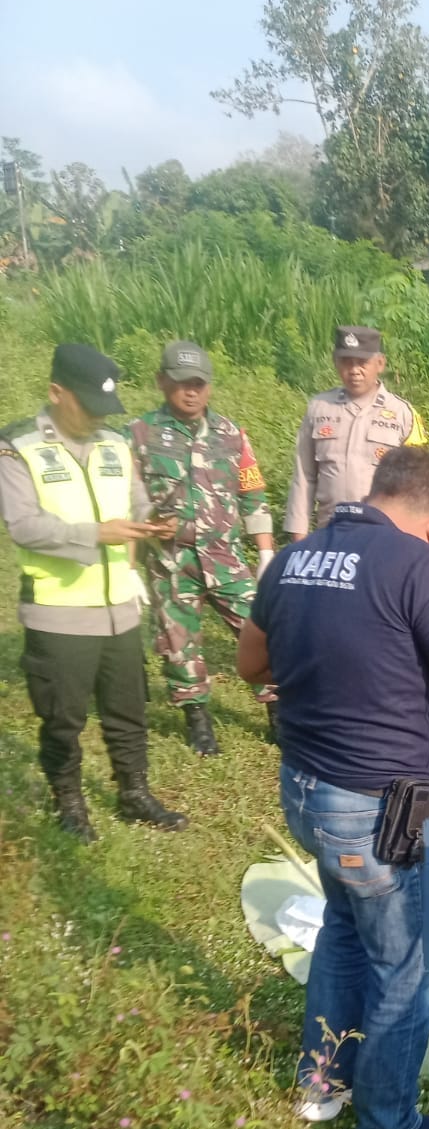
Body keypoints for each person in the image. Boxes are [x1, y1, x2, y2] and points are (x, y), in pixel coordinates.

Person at [237, 445, 429, 1129]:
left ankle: (320, 1085)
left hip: (306, 787)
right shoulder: (416, 566)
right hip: (380, 808)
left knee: (344, 932)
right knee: (408, 964)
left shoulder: (297, 556)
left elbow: (249, 663)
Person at [0, 343, 187, 842]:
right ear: (56, 393)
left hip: (120, 607)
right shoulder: (18, 448)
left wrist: (153, 524)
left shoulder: (114, 445)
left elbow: (136, 502)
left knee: (127, 710)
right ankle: (69, 803)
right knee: (63, 719)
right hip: (59, 614)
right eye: (89, 406)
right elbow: (24, 525)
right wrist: (96, 534)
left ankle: (134, 792)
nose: (98, 419)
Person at [127, 341, 278, 757]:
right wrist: (130, 559)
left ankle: (279, 714)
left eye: (198, 383)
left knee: (261, 631)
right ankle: (198, 721)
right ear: (162, 383)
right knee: (179, 643)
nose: (190, 392)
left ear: (209, 386)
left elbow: (252, 493)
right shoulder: (139, 435)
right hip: (171, 563)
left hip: (227, 558)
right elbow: (125, 495)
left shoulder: (231, 434)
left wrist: (265, 553)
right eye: (180, 384)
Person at [284, 326, 428, 540]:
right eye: (346, 362)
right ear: (335, 362)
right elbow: (304, 476)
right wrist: (299, 539)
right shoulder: (319, 408)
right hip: (330, 532)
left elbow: (415, 484)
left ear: (380, 363)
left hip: (382, 535)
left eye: (362, 363)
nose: (354, 370)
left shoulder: (402, 414)